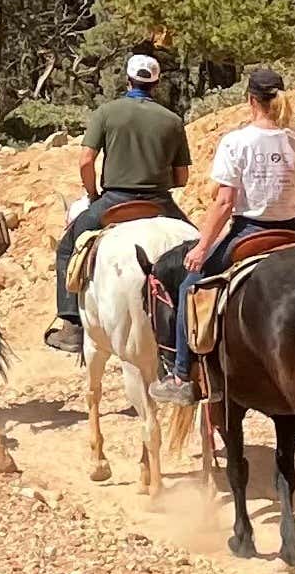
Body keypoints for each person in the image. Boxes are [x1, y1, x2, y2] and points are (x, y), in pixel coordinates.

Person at [152, 68, 295, 405]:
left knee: (191, 285)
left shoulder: (236, 142)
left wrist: (202, 247)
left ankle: (181, 374)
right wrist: (285, 195)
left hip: (250, 232)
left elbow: (224, 202)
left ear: (250, 100)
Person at [46, 54, 192, 353]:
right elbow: (182, 177)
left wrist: (93, 193)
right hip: (160, 202)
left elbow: (86, 160)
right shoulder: (172, 120)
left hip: (114, 199)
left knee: (66, 248)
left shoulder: (106, 112)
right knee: (198, 248)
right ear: (156, 83)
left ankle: (72, 324)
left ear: (128, 80)